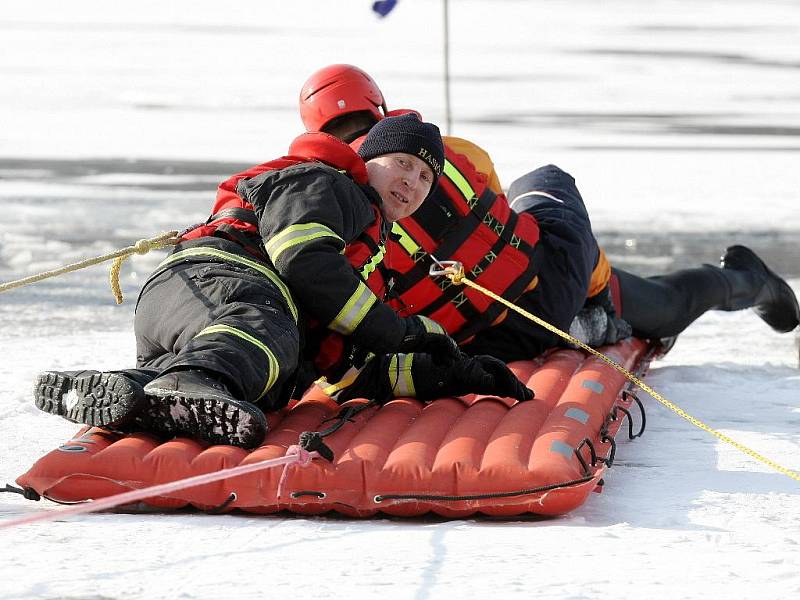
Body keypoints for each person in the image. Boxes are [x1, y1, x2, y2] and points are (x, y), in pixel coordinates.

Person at [33, 114, 533, 449]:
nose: (411, 182)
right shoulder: (329, 183)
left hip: (192, 317)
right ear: (368, 158)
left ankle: (131, 392)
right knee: (267, 327)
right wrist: (397, 329)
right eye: (402, 164)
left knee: (273, 368)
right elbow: (303, 261)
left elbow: (345, 366)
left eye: (426, 178)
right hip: (214, 280)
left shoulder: (365, 253)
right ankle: (193, 383)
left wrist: (448, 373)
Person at [298, 64, 800, 361]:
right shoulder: (446, 152)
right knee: (543, 179)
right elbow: (496, 212)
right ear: (380, 109)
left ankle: (602, 304)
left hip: (500, 338)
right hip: (548, 286)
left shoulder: (332, 211)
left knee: (654, 303)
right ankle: (724, 283)